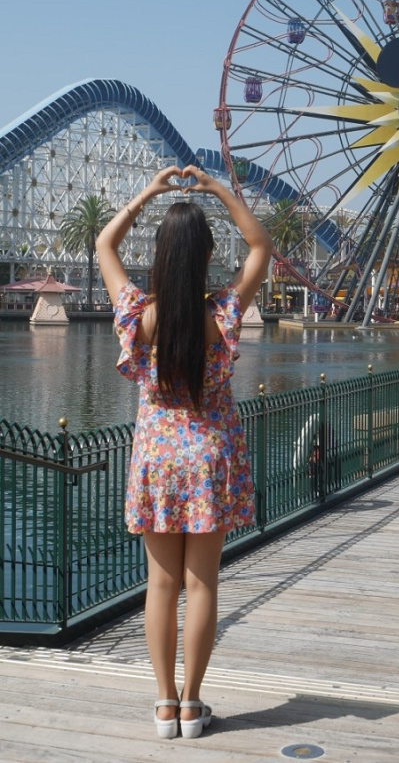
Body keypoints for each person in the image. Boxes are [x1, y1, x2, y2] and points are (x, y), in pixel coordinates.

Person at [96, 164, 272, 739]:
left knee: (161, 585)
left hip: (157, 459)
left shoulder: (137, 314)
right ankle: (194, 706)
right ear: (206, 257)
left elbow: (104, 244)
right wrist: (218, 188)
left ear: (160, 255)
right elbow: (261, 245)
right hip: (210, 457)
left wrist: (147, 194)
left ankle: (164, 706)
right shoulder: (221, 313)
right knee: (202, 585)